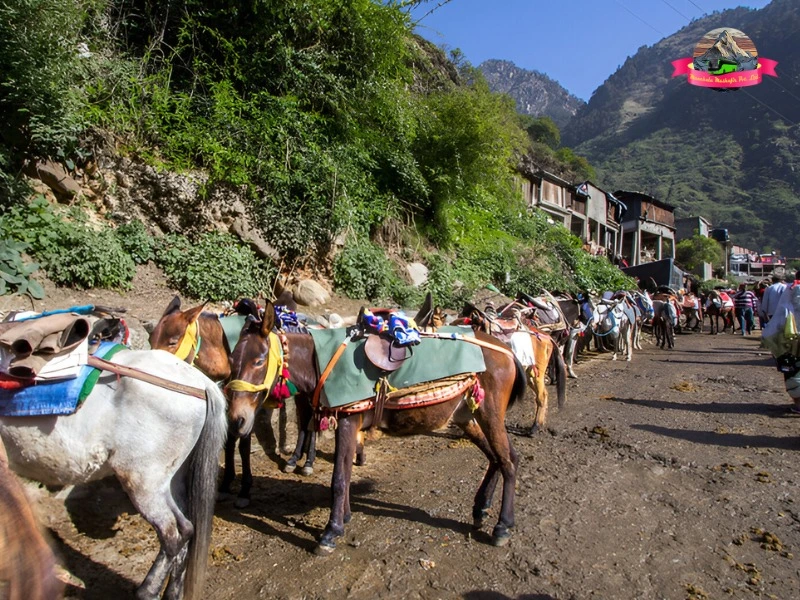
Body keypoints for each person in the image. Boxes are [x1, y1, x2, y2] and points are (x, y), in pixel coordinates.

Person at [762, 270, 800, 414]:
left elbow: (782, 313)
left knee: (792, 368)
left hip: (791, 336)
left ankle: (798, 404)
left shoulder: (791, 290)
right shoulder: (789, 289)